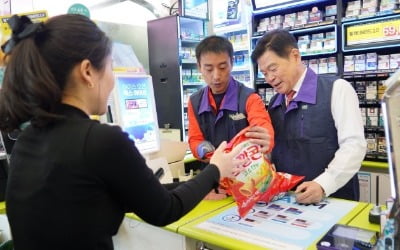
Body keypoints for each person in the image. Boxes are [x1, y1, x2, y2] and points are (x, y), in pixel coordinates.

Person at [0, 14, 243, 250]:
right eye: (110, 67)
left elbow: (131, 193)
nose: (113, 80)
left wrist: (198, 186)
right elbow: (165, 209)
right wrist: (216, 169)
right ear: (87, 72)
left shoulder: (28, 140)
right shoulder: (100, 141)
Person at [251, 29, 367, 204]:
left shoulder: (337, 89)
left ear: (295, 56)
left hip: (333, 201)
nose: (270, 78)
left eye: (273, 69)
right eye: (265, 73)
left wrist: (323, 184)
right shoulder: (275, 103)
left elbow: (354, 146)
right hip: (287, 204)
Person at [187, 35, 275, 199]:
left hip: (249, 186)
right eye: (209, 69)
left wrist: (265, 137)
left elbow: (262, 125)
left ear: (232, 63)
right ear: (199, 67)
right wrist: (204, 150)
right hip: (214, 186)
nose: (216, 76)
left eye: (222, 67)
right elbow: (194, 139)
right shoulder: (194, 102)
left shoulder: (249, 98)